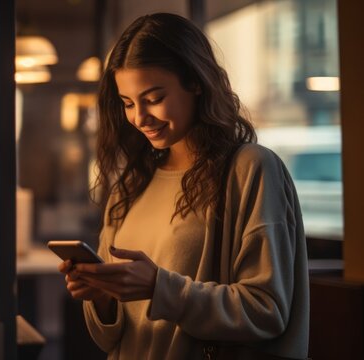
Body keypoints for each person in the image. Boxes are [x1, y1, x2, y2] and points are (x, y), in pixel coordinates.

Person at [57, 13, 309, 360]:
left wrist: (158, 287)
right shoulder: (131, 186)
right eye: (128, 103)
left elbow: (266, 311)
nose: (139, 117)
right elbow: (108, 339)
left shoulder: (250, 169)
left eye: (154, 97)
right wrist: (102, 295)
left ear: (196, 82)